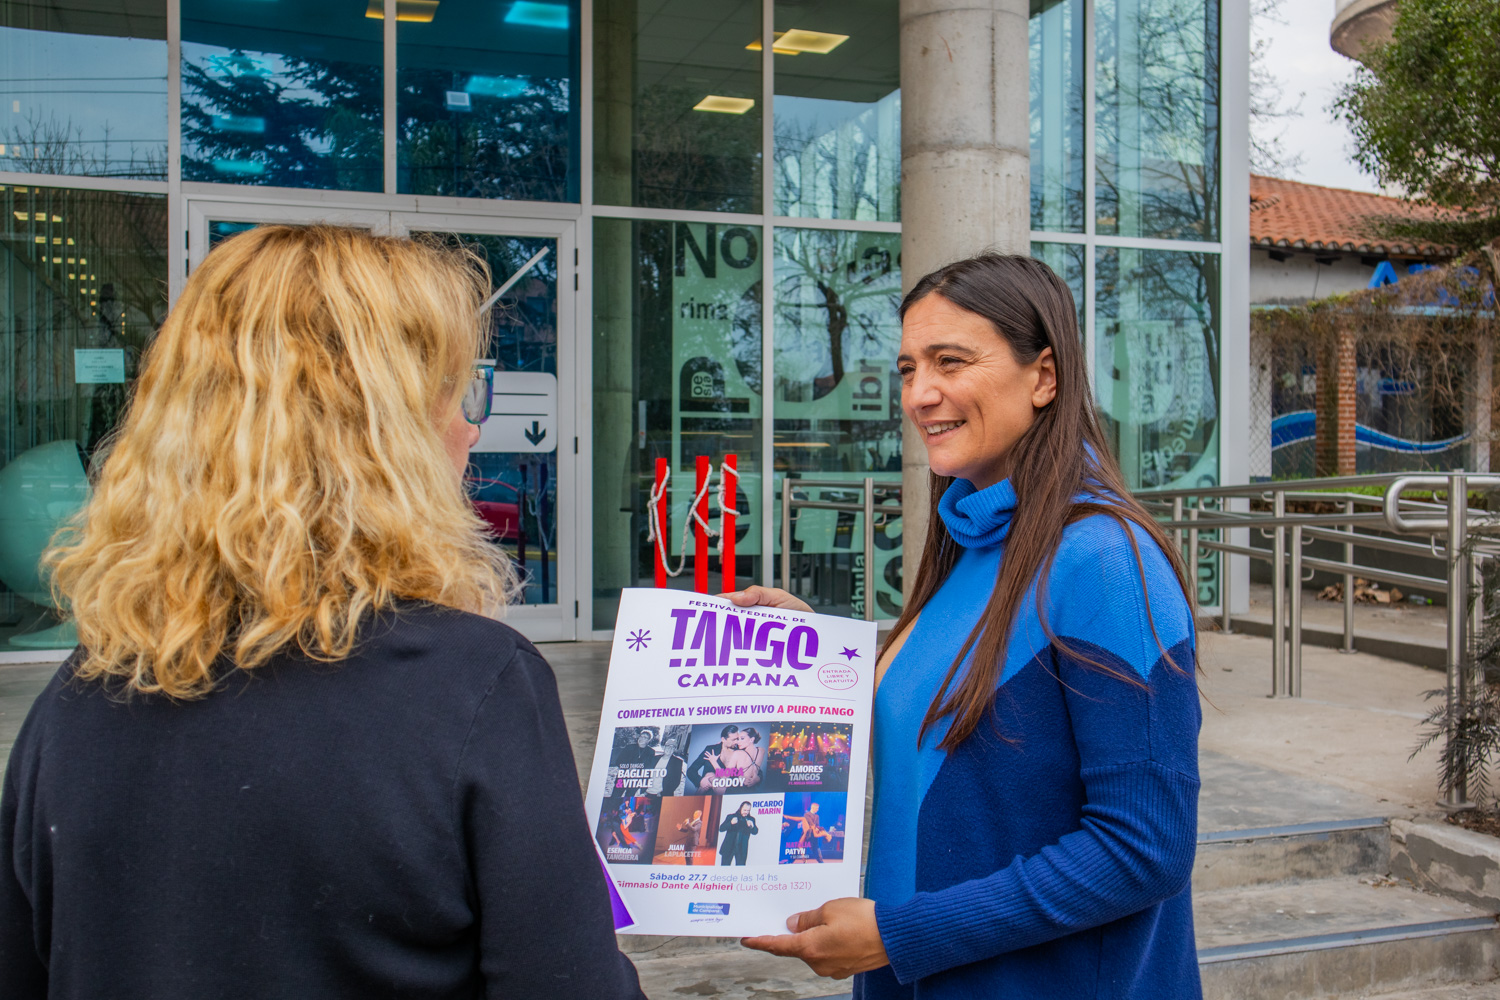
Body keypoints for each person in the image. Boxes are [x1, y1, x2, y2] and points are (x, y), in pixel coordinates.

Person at [0, 225, 645, 1000]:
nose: (472, 427)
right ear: (384, 433)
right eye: (457, 389)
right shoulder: (477, 688)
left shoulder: (78, 699)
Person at [733, 253, 1201, 999]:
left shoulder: (1108, 561)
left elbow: (1145, 849)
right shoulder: (976, 540)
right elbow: (959, 738)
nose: (921, 394)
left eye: (951, 361)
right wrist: (810, 656)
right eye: (908, 367)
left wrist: (898, 935)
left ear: (1044, 376)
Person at [718, 801, 760, 866]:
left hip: (741, 849)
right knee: (724, 868)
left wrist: (752, 826)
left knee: (740, 870)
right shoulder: (731, 816)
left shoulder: (751, 819)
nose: (746, 812)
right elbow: (721, 828)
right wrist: (730, 823)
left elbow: (755, 832)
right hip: (729, 847)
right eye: (745, 810)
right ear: (740, 808)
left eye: (748, 810)